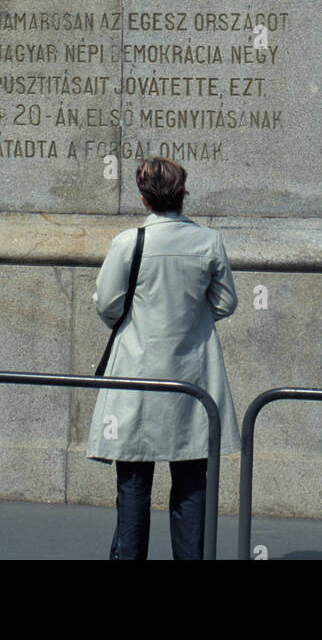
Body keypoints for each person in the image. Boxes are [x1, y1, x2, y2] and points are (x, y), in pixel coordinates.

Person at [87, 156, 240, 559]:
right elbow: (226, 303)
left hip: (137, 375)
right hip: (192, 377)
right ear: (182, 194)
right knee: (191, 481)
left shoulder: (128, 242)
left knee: (133, 483)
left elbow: (106, 304)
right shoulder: (209, 241)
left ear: (143, 198)